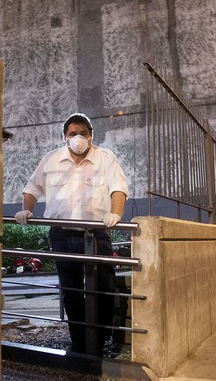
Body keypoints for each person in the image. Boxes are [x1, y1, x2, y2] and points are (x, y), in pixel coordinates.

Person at [15, 113, 128, 355]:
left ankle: (99, 339)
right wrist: (27, 209)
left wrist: (116, 214)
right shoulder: (51, 160)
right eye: (73, 134)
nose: (78, 138)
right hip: (63, 235)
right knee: (71, 290)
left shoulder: (105, 158)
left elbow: (118, 188)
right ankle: (80, 342)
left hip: (96, 234)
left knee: (104, 288)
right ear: (65, 137)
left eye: (83, 133)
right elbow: (32, 187)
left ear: (91, 135)